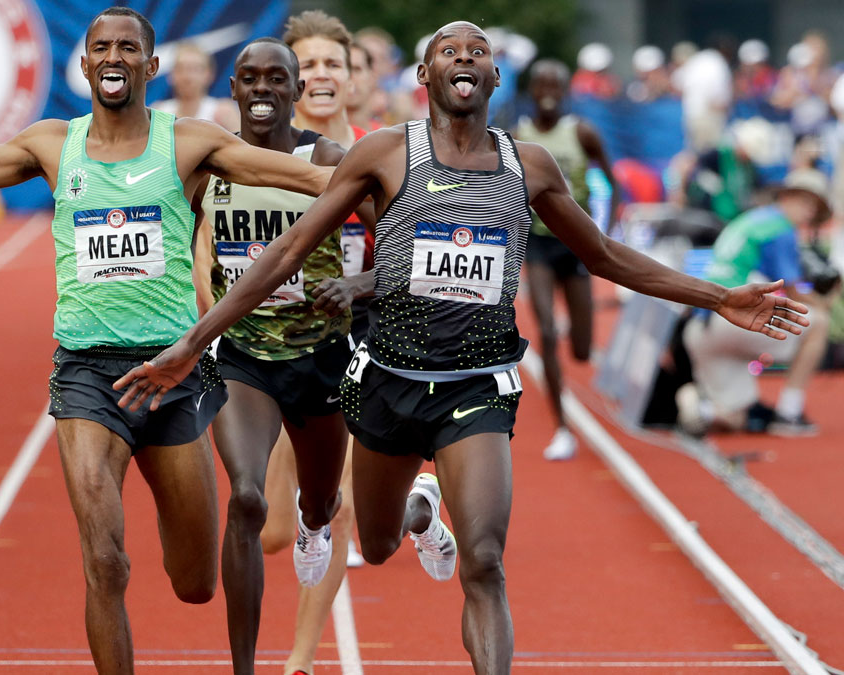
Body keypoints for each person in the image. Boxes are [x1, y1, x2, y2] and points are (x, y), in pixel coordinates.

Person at [114, 22, 808, 674]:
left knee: (483, 560)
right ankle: (419, 506)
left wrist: (720, 297)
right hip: (387, 381)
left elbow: (604, 255)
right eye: (450, 50)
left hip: (477, 386)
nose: (465, 58)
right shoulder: (385, 152)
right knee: (378, 543)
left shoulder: (528, 166)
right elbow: (289, 249)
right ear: (425, 73)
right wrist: (193, 342)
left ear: (495, 75)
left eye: (477, 51)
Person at [0, 8, 332, 673]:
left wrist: (409, 178)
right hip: (85, 375)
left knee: (195, 580)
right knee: (104, 559)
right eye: (100, 47)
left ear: (149, 66)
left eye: (128, 48)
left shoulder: (188, 142)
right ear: (83, 65)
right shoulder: (51, 144)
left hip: (173, 372)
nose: (113, 57)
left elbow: (314, 179)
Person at [190, 37, 375, 675]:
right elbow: (188, 242)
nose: (263, 89)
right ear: (234, 90)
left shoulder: (329, 158)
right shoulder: (210, 162)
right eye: (250, 78)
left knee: (322, 501)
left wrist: (356, 284)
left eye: (277, 78)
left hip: (321, 356)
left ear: (297, 92)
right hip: (242, 357)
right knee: (245, 499)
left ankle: (315, 525)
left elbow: (405, 233)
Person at [255, 12, 373, 674]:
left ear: (353, 79)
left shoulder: (385, 156)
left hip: (362, 343)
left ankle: (298, 661)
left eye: (336, 63)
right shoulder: (262, 162)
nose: (324, 75)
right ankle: (414, 494)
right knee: (274, 529)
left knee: (340, 503)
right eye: (311, 65)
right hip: (278, 347)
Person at [515, 59, 621, 461]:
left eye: (555, 84)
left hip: (576, 243)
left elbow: (614, 184)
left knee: (580, 348)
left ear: (565, 91)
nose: (547, 90)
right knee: (544, 330)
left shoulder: (582, 133)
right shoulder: (518, 137)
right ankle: (562, 428)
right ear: (531, 89)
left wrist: (603, 234)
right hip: (539, 242)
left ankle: (569, 331)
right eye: (540, 83)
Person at [679, 169, 837, 436]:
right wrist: (827, 302)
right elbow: (794, 290)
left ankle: (695, 403)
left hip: (701, 327)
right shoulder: (780, 229)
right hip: (731, 322)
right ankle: (789, 414)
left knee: (734, 419)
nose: (810, 211)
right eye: (806, 201)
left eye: (815, 206)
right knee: (818, 322)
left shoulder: (754, 219)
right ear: (787, 197)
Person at [153, 42, 239, 131]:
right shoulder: (160, 113)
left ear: (209, 74)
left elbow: (245, 144)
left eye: (195, 69)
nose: (187, 77)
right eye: (181, 69)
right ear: (171, 75)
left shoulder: (222, 112)